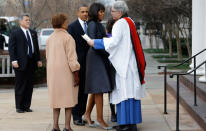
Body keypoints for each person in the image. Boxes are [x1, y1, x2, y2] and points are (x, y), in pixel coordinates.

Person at [85, 1, 146, 131]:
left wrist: (95, 42)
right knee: (131, 93)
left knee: (124, 93)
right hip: (130, 63)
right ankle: (131, 123)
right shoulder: (130, 21)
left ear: (120, 12)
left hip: (124, 65)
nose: (111, 13)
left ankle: (126, 124)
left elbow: (114, 42)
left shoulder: (119, 24)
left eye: (113, 11)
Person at [46, 13, 80, 131]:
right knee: (68, 101)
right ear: (62, 23)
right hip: (66, 73)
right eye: (66, 21)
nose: (67, 23)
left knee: (56, 101)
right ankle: (67, 126)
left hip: (52, 73)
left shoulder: (49, 38)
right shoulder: (68, 38)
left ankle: (55, 126)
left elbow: (47, 57)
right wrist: (76, 73)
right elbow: (72, 59)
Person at [82, 3, 112, 130]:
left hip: (99, 57)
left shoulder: (98, 24)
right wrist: (108, 53)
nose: (102, 13)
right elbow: (93, 43)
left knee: (96, 89)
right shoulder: (93, 24)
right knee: (98, 89)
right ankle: (100, 119)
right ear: (95, 12)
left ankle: (87, 114)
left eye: (103, 11)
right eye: (100, 11)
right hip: (95, 58)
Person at [8, 13, 42, 113]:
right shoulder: (15, 33)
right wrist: (14, 60)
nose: (28, 22)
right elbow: (11, 48)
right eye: (26, 20)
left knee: (29, 85)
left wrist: (38, 59)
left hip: (31, 62)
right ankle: (19, 106)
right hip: (20, 63)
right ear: (20, 22)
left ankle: (26, 106)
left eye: (29, 20)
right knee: (20, 85)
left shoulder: (33, 33)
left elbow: (36, 48)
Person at [67, 4, 89, 126]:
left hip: (89, 64)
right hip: (77, 64)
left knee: (85, 91)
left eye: (86, 12)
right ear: (78, 13)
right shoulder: (72, 26)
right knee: (77, 91)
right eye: (83, 12)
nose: (85, 14)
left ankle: (81, 114)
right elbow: (70, 47)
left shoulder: (90, 25)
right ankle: (76, 117)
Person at [106, 18, 117, 122]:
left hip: (116, 66)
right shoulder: (109, 37)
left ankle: (116, 113)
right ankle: (114, 113)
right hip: (111, 67)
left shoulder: (118, 36)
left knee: (116, 90)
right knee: (113, 90)